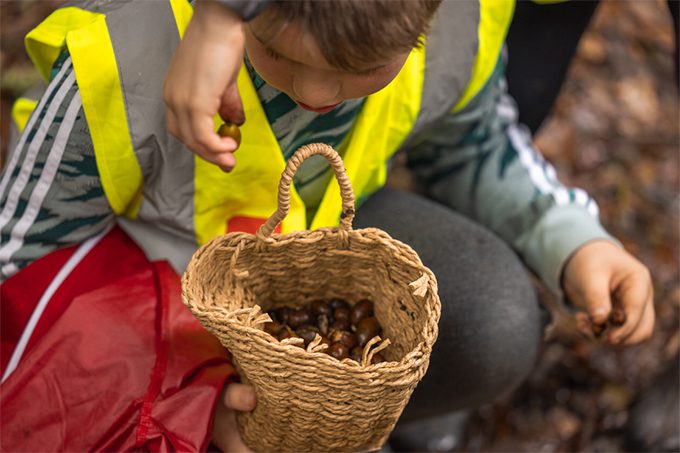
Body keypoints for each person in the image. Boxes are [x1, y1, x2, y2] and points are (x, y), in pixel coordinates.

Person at [0, 0, 655, 451]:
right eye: (280, 57)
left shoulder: (455, 20)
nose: (316, 94)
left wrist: (574, 241)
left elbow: (472, 141)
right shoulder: (131, 49)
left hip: (319, 251)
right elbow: (24, 265)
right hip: (149, 303)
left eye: (362, 72)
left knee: (494, 320)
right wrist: (194, 401)